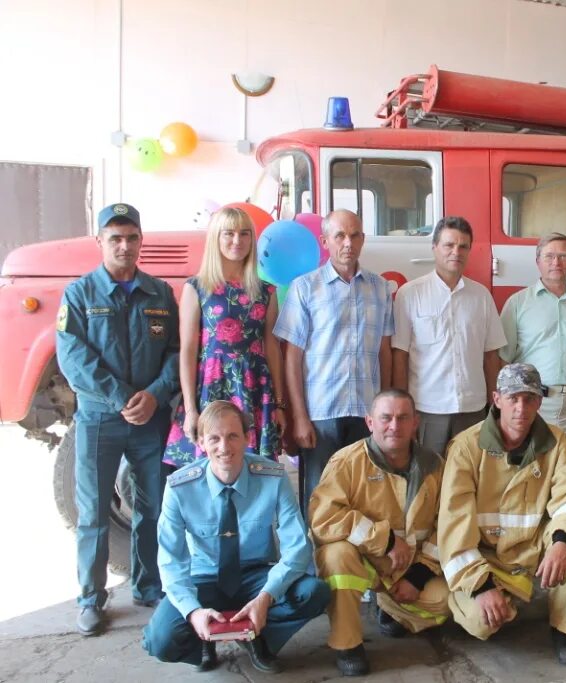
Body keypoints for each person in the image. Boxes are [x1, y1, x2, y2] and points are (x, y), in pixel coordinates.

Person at [56, 202, 179, 636]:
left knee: (153, 507)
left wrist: (157, 394)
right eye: (115, 238)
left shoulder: (160, 293)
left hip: (151, 420)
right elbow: (74, 359)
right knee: (92, 511)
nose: (124, 246)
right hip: (100, 421)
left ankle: (149, 586)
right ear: (100, 242)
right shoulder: (79, 294)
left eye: (131, 237)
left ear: (141, 241)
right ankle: (91, 597)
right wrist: (126, 398)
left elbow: (176, 353)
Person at [142, 401, 329, 674]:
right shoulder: (179, 487)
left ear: (247, 438)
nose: (224, 447)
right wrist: (193, 612)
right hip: (204, 578)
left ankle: (257, 637)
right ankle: (203, 641)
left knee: (314, 592)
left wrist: (266, 597)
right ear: (201, 443)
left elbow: (297, 547)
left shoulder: (272, 477)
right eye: (214, 439)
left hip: (255, 576)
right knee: (160, 640)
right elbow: (171, 561)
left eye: (232, 436)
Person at [438, 364, 566, 665]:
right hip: (488, 556)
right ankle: (464, 597)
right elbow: (454, 525)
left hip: (535, 549)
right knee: (481, 622)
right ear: (497, 399)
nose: (521, 408)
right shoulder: (466, 448)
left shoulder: (557, 442)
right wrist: (482, 587)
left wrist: (563, 542)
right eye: (513, 399)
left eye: (529, 399)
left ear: (540, 402)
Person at [309, 389, 449, 676]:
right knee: (336, 557)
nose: (394, 426)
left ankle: (391, 609)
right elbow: (323, 518)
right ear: (370, 422)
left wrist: (419, 575)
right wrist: (383, 540)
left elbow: (447, 525)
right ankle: (347, 645)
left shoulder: (435, 466)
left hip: (409, 567)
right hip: (363, 562)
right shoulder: (346, 462)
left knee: (449, 603)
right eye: (385, 418)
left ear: (415, 423)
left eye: (402, 418)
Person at [274, 209, 394, 518]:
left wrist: (386, 411)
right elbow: (292, 358)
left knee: (364, 498)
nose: (348, 243)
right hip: (321, 415)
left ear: (363, 240)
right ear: (325, 240)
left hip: (367, 414)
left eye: (354, 235)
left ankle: (356, 565)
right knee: (319, 501)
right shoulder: (305, 288)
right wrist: (299, 416)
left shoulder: (380, 289)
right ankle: (315, 566)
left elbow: (385, 353)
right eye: (339, 235)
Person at [163, 207, 285, 468]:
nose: (237, 241)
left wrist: (280, 404)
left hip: (255, 389)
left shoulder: (266, 291)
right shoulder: (197, 287)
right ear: (216, 238)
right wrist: (190, 409)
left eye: (244, 234)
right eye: (228, 234)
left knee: (254, 472)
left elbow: (272, 348)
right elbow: (187, 350)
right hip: (212, 387)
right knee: (210, 470)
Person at [392, 216, 505, 455]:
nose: (456, 252)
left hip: (472, 409)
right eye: (449, 245)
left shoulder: (481, 296)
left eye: (463, 246)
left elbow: (491, 356)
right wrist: (404, 411)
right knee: (427, 479)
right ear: (434, 248)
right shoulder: (410, 294)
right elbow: (399, 356)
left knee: (468, 480)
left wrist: (495, 407)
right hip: (426, 409)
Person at [499, 233, 566, 455]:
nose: (556, 262)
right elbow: (503, 361)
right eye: (549, 256)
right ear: (538, 261)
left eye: (563, 256)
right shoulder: (518, 304)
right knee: (530, 476)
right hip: (532, 405)